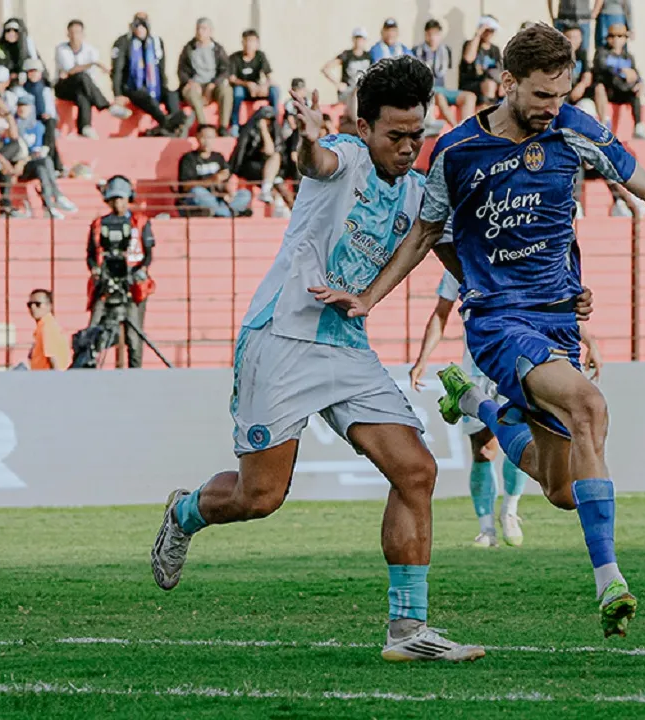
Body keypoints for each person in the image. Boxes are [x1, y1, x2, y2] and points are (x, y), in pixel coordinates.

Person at [310, 24, 645, 641]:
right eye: (543, 95)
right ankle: (610, 583)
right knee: (589, 405)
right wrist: (367, 298)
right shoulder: (456, 150)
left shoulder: (575, 130)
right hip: (498, 321)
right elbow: (424, 234)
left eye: (562, 93)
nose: (554, 107)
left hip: (559, 318)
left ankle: (477, 406)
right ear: (507, 83)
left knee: (564, 490)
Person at [149, 56, 488, 663]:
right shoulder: (345, 157)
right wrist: (306, 140)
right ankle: (185, 512)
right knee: (261, 498)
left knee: (417, 470)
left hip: (347, 347)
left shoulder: (417, 193)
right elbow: (317, 162)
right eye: (396, 135)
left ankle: (408, 632)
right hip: (281, 339)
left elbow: (453, 258)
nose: (409, 147)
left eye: (418, 133)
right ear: (365, 129)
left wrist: (512, 299)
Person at [410, 265, 597, 547]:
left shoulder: (519, 256)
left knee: (524, 439)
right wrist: (423, 358)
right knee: (484, 450)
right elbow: (441, 313)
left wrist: (590, 341)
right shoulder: (458, 264)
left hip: (517, 363)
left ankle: (510, 511)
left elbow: (552, 306)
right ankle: (486, 529)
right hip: (477, 365)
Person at [87, 175, 155, 368]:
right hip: (105, 283)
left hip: (133, 284)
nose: (118, 203)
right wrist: (96, 270)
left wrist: (139, 271)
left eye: (122, 198)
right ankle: (89, 364)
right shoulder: (99, 224)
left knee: (134, 333)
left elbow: (148, 254)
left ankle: (135, 370)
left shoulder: (140, 221)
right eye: (114, 199)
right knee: (95, 327)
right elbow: (91, 253)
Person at [111, 16, 188, 137]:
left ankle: (173, 123)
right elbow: (117, 70)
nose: (140, 29)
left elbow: (161, 68)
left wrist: (163, 86)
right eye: (137, 25)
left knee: (171, 95)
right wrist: (117, 94)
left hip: (154, 84)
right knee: (147, 98)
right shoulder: (124, 42)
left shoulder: (156, 42)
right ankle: (166, 123)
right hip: (132, 86)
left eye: (143, 25)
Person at [56, 19, 129, 139]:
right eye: (72, 33)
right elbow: (70, 71)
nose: (75, 36)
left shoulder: (91, 50)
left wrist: (92, 65)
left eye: (78, 32)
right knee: (82, 77)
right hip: (64, 86)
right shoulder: (61, 49)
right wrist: (92, 64)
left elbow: (92, 77)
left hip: (82, 87)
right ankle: (106, 106)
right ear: (68, 34)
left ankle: (85, 127)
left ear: (83, 34)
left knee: (82, 94)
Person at [11, 94, 77, 217]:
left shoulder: (37, 127)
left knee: (42, 168)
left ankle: (49, 206)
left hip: (31, 163)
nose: (22, 109)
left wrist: (30, 158)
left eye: (25, 106)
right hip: (18, 164)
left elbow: (37, 151)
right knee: (45, 161)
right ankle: (57, 196)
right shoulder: (13, 125)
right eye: (20, 106)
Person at [592, 24, 645, 140]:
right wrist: (622, 71)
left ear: (625, 39)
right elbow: (603, 68)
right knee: (602, 84)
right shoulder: (602, 52)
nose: (616, 39)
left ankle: (638, 126)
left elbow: (636, 73)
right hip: (609, 90)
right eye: (612, 36)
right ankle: (604, 123)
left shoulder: (628, 56)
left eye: (620, 36)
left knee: (635, 92)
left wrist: (640, 82)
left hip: (624, 90)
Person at [229, 106, 290, 216]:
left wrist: (266, 131)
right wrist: (263, 129)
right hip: (251, 166)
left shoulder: (275, 132)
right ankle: (278, 203)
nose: (267, 122)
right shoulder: (249, 131)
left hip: (270, 169)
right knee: (276, 178)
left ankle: (272, 196)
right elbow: (267, 150)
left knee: (277, 173)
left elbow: (273, 150)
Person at [178, 18, 232, 135]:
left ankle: (223, 127)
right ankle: (203, 125)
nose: (200, 32)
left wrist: (214, 84)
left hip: (212, 85)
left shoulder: (217, 49)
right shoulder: (189, 48)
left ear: (210, 31)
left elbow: (226, 70)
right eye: (198, 29)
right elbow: (182, 70)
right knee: (191, 93)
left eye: (203, 29)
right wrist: (190, 82)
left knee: (227, 91)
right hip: (195, 85)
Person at [226, 29, 281, 133]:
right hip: (244, 89)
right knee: (237, 92)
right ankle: (234, 125)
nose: (249, 44)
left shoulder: (260, 56)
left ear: (257, 44)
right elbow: (232, 78)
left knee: (275, 90)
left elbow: (269, 76)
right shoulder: (234, 57)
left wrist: (264, 86)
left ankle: (275, 123)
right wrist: (247, 84)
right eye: (246, 41)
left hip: (257, 89)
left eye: (252, 41)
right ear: (242, 42)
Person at [177, 124, 233, 217]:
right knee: (197, 192)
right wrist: (210, 181)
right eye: (204, 137)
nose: (207, 141)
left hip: (218, 198)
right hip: (199, 198)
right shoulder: (188, 158)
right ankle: (227, 213)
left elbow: (225, 176)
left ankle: (220, 212)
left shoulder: (218, 157)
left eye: (210, 138)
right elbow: (185, 186)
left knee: (245, 194)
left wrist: (228, 192)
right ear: (197, 137)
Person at [413, 19, 459, 129]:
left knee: (469, 97)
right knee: (439, 96)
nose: (433, 37)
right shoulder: (417, 51)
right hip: (428, 89)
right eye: (430, 34)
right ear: (425, 35)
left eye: (435, 34)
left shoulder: (446, 51)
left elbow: (446, 72)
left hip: (442, 87)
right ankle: (456, 128)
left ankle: (468, 128)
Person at [457, 16, 504, 120]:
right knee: (490, 85)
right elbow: (468, 58)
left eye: (492, 31)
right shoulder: (470, 44)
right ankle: (485, 117)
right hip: (470, 84)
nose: (490, 34)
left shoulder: (495, 50)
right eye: (487, 30)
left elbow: (499, 70)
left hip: (489, 89)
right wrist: (477, 34)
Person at [22, 59, 62, 174]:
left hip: (43, 119)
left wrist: (47, 114)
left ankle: (47, 150)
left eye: (36, 72)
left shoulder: (45, 89)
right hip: (30, 119)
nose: (33, 75)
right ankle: (57, 166)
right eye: (31, 72)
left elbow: (51, 109)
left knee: (50, 125)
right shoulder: (23, 89)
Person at [323, 28, 372, 107]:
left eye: (361, 39)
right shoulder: (346, 55)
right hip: (348, 93)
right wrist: (338, 84)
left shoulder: (368, 56)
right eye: (357, 39)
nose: (359, 42)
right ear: (353, 39)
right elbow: (326, 69)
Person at [27, 289, 70, 370]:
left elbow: (53, 358)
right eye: (29, 304)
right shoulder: (44, 325)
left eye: (37, 304)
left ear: (49, 306)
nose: (33, 307)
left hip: (47, 378)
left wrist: (56, 380)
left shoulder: (48, 326)